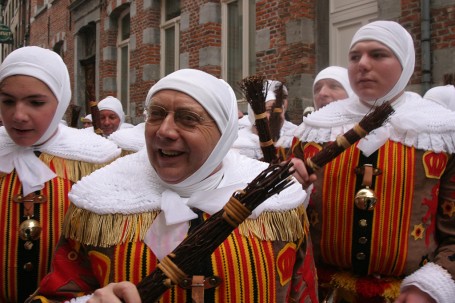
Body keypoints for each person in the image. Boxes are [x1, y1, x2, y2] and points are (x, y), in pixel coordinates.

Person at [28, 69, 318, 303]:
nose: (164, 131)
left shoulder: (277, 205)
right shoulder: (98, 204)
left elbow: (302, 293)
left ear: (224, 133)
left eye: (188, 119)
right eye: (156, 114)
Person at [292, 20, 455, 303]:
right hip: (321, 291)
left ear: (405, 63)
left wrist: (433, 285)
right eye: (355, 56)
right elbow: (286, 225)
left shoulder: (441, 133)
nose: (362, 64)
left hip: (407, 294)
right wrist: (291, 193)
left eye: (378, 54)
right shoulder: (314, 131)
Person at [0, 46, 121, 303]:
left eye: (36, 102)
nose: (18, 115)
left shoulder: (96, 161)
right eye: (8, 101)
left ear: (61, 101)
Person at [232, 80, 297, 161]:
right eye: (269, 110)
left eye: (280, 110)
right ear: (255, 114)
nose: (277, 116)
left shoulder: (291, 139)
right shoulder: (238, 145)